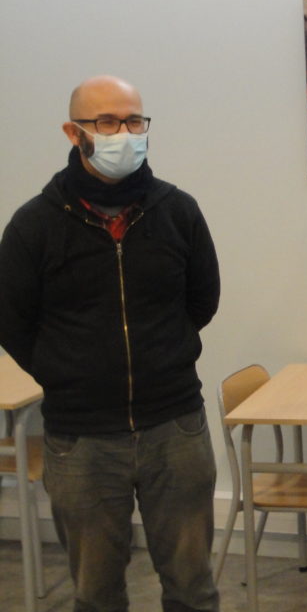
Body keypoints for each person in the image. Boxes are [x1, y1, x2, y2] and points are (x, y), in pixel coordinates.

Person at [0, 76, 221, 611]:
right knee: (96, 593)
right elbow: (12, 321)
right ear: (73, 132)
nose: (124, 132)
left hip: (175, 426)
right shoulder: (35, 224)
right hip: (82, 439)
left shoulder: (178, 211)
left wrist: (163, 355)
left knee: (192, 588)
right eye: (106, 122)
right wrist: (65, 371)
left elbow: (202, 300)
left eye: (133, 120)